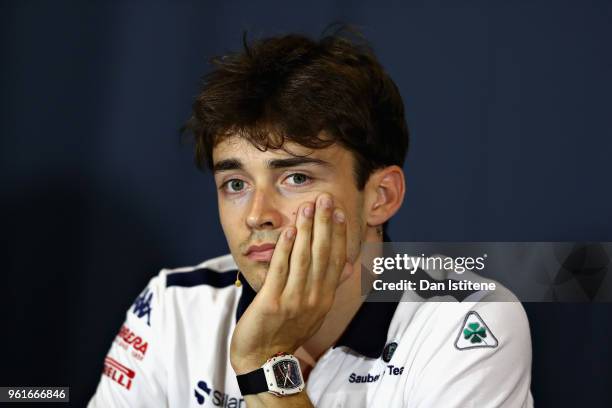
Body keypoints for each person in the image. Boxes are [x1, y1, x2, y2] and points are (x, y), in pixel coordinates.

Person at [88, 27, 533, 407]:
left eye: (295, 178)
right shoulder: (174, 306)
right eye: (236, 185)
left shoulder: (466, 320)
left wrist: (267, 361)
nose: (257, 216)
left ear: (380, 196)